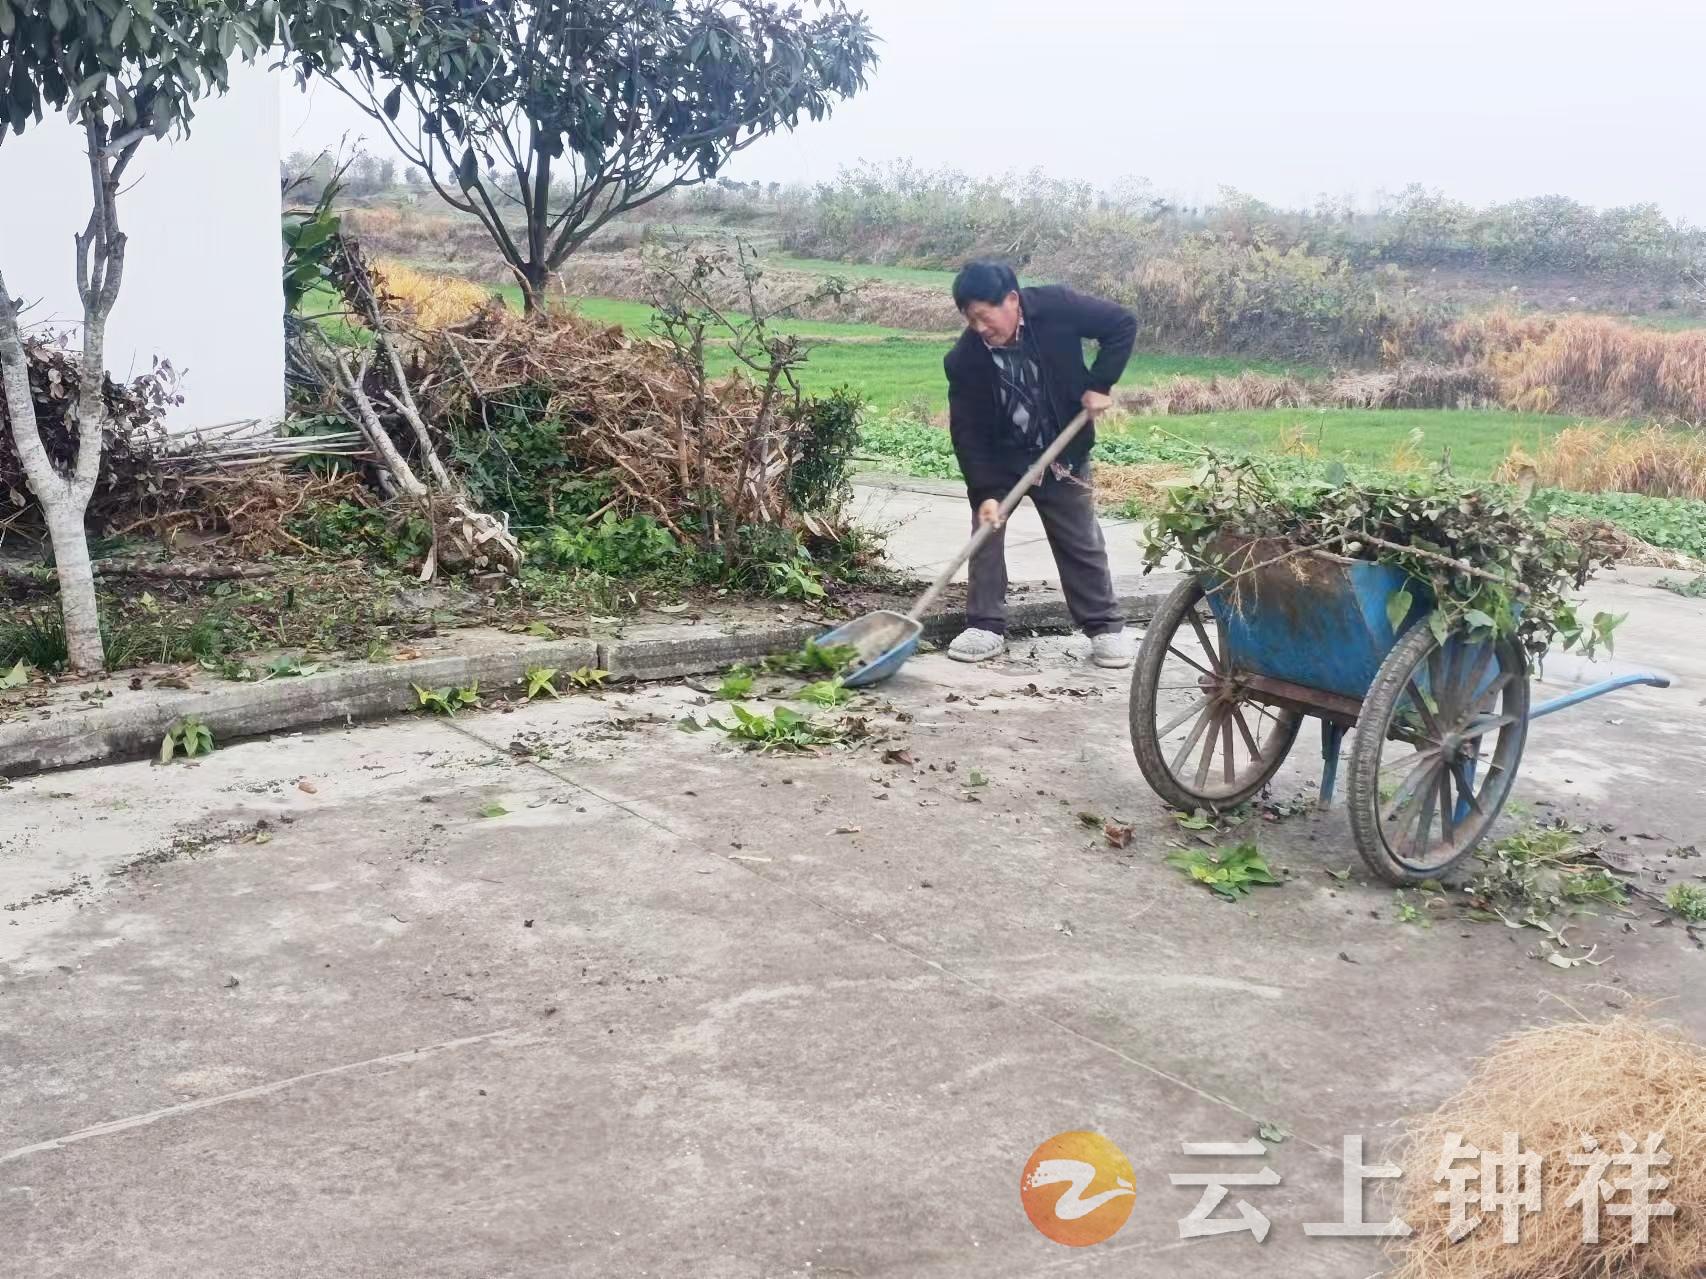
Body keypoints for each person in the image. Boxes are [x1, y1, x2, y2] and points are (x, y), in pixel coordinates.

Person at [943, 260, 1139, 668]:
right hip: (1003, 458)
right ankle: (985, 625)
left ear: (1012, 300)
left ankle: (1104, 626)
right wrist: (985, 492)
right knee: (986, 533)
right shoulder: (964, 359)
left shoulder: (1057, 308)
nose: (979, 328)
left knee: (1079, 539)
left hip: (1062, 450)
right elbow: (968, 433)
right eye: (970, 319)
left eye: (984, 316)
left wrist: (1100, 383)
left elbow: (1121, 324)